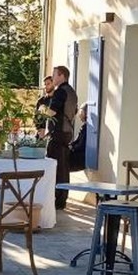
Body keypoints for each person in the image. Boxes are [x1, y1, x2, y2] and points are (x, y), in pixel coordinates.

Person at [46, 65, 78, 209]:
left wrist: (42, 111)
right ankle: (62, 199)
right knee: (64, 167)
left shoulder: (60, 92)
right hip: (67, 132)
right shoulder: (72, 92)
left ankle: (57, 200)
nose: (53, 78)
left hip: (58, 133)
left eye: (54, 75)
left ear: (61, 76)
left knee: (55, 166)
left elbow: (52, 112)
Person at [69, 104, 88, 173]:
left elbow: (81, 145)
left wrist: (71, 148)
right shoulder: (85, 126)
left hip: (81, 157)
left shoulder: (87, 127)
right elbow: (76, 141)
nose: (79, 116)